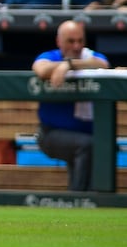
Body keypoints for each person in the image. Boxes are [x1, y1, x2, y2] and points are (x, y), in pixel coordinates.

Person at [31, 20, 111, 191]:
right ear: (59, 42)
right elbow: (41, 69)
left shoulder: (88, 57)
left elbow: (103, 64)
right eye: (71, 41)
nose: (76, 46)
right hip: (51, 134)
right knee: (87, 145)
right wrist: (61, 65)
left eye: (80, 41)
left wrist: (69, 65)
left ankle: (89, 201)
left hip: (88, 133)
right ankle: (77, 200)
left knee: (95, 144)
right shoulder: (51, 56)